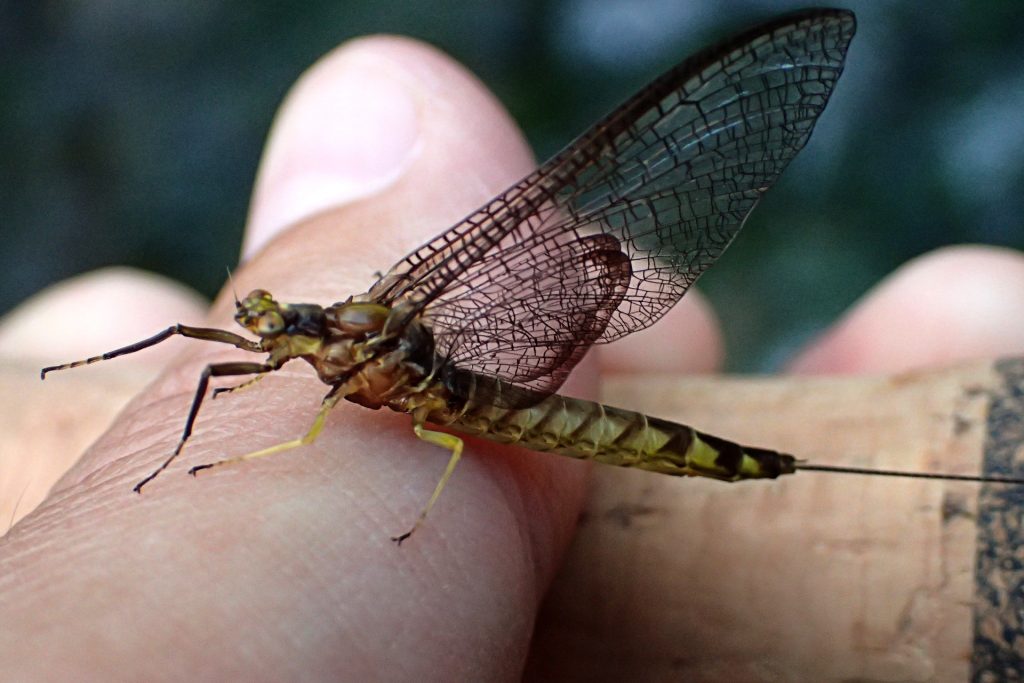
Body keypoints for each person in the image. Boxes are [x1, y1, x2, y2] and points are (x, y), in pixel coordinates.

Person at [2, 36, 1023, 679]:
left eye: (276, 321)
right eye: (268, 320)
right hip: (496, 409)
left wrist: (278, 487)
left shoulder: (353, 357)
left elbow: (424, 443)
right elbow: (207, 349)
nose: (265, 330)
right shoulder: (303, 353)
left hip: (522, 416)